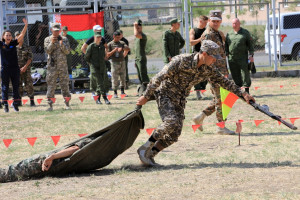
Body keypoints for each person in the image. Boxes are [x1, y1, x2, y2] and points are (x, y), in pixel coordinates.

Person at [136, 40, 255, 166]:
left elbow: (225, 83)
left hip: (180, 99)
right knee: (172, 121)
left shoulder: (208, 69)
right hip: (166, 95)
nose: (215, 60)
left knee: (175, 133)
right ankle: (144, 148)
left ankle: (150, 156)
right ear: (204, 53)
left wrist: (244, 95)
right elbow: (158, 77)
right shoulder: (182, 60)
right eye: (213, 57)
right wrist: (146, 96)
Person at [193, 10, 235, 135]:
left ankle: (200, 117)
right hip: (214, 72)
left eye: (218, 21)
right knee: (221, 99)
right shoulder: (208, 35)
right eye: (213, 21)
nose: (216, 23)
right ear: (209, 21)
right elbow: (205, 56)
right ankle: (221, 127)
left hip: (221, 71)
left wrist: (224, 71)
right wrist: (215, 73)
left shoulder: (217, 33)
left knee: (221, 98)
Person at [0, 138, 92, 182]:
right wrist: (52, 157)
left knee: (13, 172)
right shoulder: (91, 140)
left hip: (51, 163)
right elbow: (75, 149)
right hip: (45, 161)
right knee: (12, 172)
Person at [0, 18, 28, 113]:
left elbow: (22, 35)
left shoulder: (13, 43)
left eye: (10, 35)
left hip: (15, 69)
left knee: (16, 87)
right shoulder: (1, 44)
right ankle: (5, 105)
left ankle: (15, 105)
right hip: (5, 69)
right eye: (6, 35)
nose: (8, 36)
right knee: (5, 87)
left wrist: (26, 25)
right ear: (3, 37)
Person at [44, 23, 71, 111]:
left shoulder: (64, 39)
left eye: (57, 30)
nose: (56, 32)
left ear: (59, 30)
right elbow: (47, 50)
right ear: (51, 30)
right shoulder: (47, 39)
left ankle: (67, 104)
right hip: (52, 67)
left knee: (65, 85)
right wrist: (52, 42)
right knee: (51, 86)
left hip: (62, 67)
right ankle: (50, 105)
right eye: (54, 30)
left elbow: (67, 52)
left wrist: (61, 44)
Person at [225, 18, 254, 94]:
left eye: (236, 23)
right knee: (235, 74)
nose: (234, 25)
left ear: (239, 23)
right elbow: (226, 45)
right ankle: (239, 90)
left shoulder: (245, 33)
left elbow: (250, 44)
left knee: (245, 73)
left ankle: (246, 90)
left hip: (243, 57)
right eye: (233, 23)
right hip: (232, 58)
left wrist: (251, 55)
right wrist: (226, 53)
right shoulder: (229, 33)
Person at [81, 25, 110, 95]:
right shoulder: (91, 39)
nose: (99, 31)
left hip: (100, 61)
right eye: (97, 30)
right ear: (94, 31)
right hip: (93, 62)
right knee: (93, 76)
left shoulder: (102, 39)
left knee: (103, 75)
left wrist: (105, 55)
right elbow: (83, 48)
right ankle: (94, 92)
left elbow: (106, 47)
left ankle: (103, 91)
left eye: (100, 30)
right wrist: (89, 57)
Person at [85, 32, 111, 105]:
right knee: (99, 82)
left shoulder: (102, 46)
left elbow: (104, 56)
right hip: (94, 67)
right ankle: (105, 98)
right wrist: (91, 64)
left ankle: (98, 99)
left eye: (100, 37)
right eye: (97, 37)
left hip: (102, 66)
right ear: (94, 38)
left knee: (101, 82)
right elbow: (87, 57)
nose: (99, 39)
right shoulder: (91, 46)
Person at [189, 15, 209, 100]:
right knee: (197, 73)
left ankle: (202, 89)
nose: (206, 24)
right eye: (205, 23)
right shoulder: (193, 30)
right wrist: (200, 39)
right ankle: (197, 91)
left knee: (206, 73)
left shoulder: (207, 30)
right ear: (200, 21)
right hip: (197, 54)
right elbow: (191, 42)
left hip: (206, 54)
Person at [15, 31, 35, 107]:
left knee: (29, 85)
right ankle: (19, 101)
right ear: (15, 38)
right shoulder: (13, 48)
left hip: (26, 70)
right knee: (18, 85)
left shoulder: (27, 47)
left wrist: (24, 67)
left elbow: (30, 58)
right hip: (17, 71)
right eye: (17, 36)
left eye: (20, 36)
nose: (19, 37)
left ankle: (32, 101)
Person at [107, 31, 130, 98]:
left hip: (122, 62)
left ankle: (122, 91)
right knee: (115, 78)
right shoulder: (110, 44)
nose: (118, 39)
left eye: (119, 37)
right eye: (117, 37)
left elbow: (128, 49)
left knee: (123, 77)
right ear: (114, 37)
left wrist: (122, 49)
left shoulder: (122, 43)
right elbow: (107, 55)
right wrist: (114, 50)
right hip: (114, 62)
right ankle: (115, 92)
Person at [134, 19, 150, 96]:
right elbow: (136, 49)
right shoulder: (137, 38)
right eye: (137, 27)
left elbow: (136, 34)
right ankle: (141, 91)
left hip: (141, 58)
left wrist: (135, 26)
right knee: (140, 76)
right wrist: (135, 59)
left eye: (139, 26)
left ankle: (148, 90)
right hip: (137, 59)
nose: (138, 28)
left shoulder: (142, 36)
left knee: (144, 75)